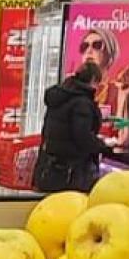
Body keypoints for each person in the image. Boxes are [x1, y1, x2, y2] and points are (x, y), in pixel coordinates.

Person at [34, 61, 110, 193]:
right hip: (71, 172)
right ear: (93, 80)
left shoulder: (61, 95)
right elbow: (82, 137)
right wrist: (103, 146)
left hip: (50, 167)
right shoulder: (82, 103)